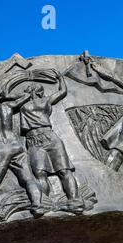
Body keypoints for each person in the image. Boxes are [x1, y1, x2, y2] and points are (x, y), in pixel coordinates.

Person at [0, 87, 45, 222]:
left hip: (0, 149)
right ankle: (38, 206)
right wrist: (7, 96)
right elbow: (25, 97)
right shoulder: (8, 105)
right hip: (16, 145)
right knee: (28, 179)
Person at [21, 75, 84, 213]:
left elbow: (62, 91)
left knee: (64, 171)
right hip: (33, 141)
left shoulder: (46, 100)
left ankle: (75, 200)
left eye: (32, 89)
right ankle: (44, 203)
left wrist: (61, 78)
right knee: (39, 174)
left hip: (50, 137)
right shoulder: (22, 103)